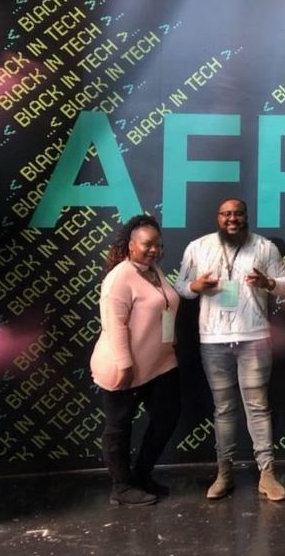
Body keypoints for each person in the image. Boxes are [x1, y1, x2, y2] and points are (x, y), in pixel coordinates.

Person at [175, 198, 285, 501]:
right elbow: (180, 287)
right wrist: (196, 287)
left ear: (245, 216)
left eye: (237, 214)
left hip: (255, 338)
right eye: (226, 214)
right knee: (224, 409)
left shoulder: (264, 247)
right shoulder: (198, 247)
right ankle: (224, 473)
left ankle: (267, 474)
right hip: (213, 340)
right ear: (218, 217)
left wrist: (267, 282)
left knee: (258, 407)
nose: (232, 219)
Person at [90, 214, 180, 506]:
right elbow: (114, 324)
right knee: (119, 426)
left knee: (166, 418)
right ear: (131, 245)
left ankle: (141, 475)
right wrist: (124, 365)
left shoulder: (154, 271)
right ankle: (122, 487)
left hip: (160, 363)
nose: (154, 250)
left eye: (158, 245)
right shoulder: (120, 277)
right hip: (125, 366)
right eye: (147, 244)